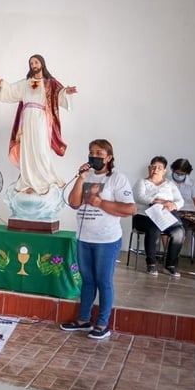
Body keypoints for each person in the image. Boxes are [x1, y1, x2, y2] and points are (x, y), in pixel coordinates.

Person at [61, 139, 136, 340]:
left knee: (103, 281)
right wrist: (80, 178)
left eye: (99, 153)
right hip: (84, 238)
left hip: (107, 240)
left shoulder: (118, 179)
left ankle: (102, 324)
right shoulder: (87, 176)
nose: (94, 156)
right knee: (87, 281)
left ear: (109, 157)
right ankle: (83, 320)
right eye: (91, 152)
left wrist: (101, 203)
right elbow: (74, 203)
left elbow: (130, 209)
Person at [0, 54, 78, 195]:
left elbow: (59, 94)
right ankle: (28, 181)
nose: (33, 65)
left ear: (42, 63)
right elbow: (11, 90)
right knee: (27, 150)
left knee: (41, 149)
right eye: (31, 63)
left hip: (41, 119)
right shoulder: (25, 83)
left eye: (36, 62)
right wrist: (1, 83)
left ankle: (45, 179)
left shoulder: (50, 82)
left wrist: (67, 92)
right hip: (27, 120)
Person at [132, 156, 184, 277]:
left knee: (179, 232)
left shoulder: (170, 184)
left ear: (164, 171)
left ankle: (170, 265)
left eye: (159, 168)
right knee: (154, 228)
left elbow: (180, 200)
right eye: (153, 167)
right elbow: (138, 196)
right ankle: (151, 263)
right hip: (143, 216)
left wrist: (173, 204)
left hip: (164, 216)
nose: (155, 170)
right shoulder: (142, 182)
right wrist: (155, 201)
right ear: (149, 168)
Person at [170, 158, 195, 234]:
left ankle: (176, 245)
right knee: (164, 225)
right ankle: (169, 246)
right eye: (177, 173)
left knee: (179, 228)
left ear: (186, 173)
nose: (179, 176)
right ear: (173, 170)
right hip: (170, 211)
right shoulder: (166, 181)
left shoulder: (192, 183)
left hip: (187, 214)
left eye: (182, 174)